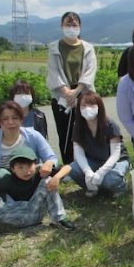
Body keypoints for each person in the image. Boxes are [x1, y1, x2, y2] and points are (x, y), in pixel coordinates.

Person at [0, 146, 75, 250]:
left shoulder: (40, 172)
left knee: (47, 181)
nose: (26, 171)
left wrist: (57, 177)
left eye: (29, 165)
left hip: (35, 212)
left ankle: (59, 219)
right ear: (13, 169)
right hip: (15, 215)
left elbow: (68, 167)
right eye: (20, 167)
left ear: (35, 163)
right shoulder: (6, 180)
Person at [46, 11, 97, 164]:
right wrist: (66, 92)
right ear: (62, 26)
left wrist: (76, 91)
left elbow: (90, 70)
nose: (71, 27)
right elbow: (53, 71)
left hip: (83, 93)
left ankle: (88, 162)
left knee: (86, 130)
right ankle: (69, 165)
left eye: (74, 24)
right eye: (68, 24)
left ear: (80, 27)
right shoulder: (54, 47)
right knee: (65, 133)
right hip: (62, 95)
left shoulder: (88, 48)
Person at [0, 100, 58, 184]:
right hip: (5, 183)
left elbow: (51, 158)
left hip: (30, 177)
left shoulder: (33, 135)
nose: (10, 122)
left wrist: (49, 163)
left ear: (21, 119)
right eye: (5, 119)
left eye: (15, 118)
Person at [69, 91, 130, 197]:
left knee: (110, 179)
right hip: (94, 160)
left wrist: (101, 172)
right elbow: (78, 153)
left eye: (92, 104)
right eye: (83, 105)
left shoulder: (110, 124)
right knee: (72, 169)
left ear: (99, 106)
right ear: (78, 108)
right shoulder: (77, 126)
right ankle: (93, 186)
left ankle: (120, 186)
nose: (87, 108)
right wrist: (87, 172)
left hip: (117, 160)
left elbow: (115, 154)